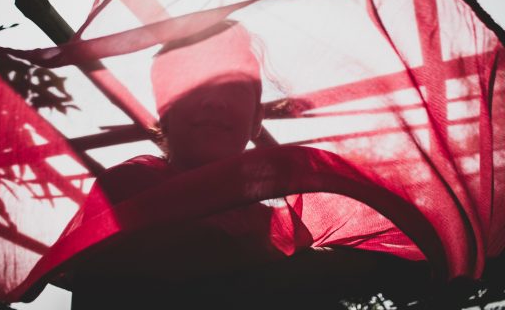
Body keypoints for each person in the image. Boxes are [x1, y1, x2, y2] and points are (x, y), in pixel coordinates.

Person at [67, 21, 431, 308]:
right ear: (164, 112)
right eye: (192, 87)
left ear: (257, 119)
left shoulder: (266, 220)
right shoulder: (130, 188)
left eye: (234, 88)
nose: (214, 102)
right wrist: (327, 266)